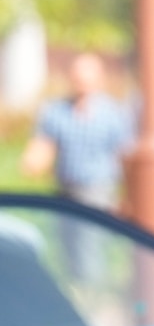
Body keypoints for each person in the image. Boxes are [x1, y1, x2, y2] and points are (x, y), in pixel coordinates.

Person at [22, 52, 134, 212]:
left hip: (99, 191)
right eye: (77, 78)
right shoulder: (56, 111)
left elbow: (124, 154)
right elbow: (43, 146)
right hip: (65, 190)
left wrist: (128, 196)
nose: (81, 82)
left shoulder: (112, 114)